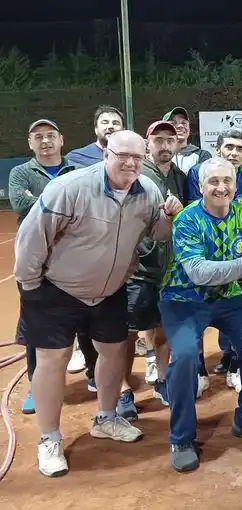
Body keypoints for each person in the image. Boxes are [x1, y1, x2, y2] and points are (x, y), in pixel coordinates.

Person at [14, 129, 182, 477]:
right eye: (123, 155)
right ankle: (49, 438)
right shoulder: (68, 188)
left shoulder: (147, 191)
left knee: (114, 353)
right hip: (55, 289)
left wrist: (166, 216)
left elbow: (158, 235)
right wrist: (31, 288)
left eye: (137, 157)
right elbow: (32, 238)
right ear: (105, 152)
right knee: (52, 361)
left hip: (110, 290)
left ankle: (106, 418)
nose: (130, 163)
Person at [158, 157, 242, 473]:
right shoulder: (187, 219)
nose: (221, 187)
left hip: (229, 297)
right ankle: (182, 438)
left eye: (227, 180)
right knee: (184, 357)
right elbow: (197, 272)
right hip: (183, 298)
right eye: (213, 181)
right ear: (200, 187)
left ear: (236, 184)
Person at [9, 119, 85, 414]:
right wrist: (65, 203)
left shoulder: (77, 171)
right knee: (36, 328)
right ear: (30, 143)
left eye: (50, 135)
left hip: (75, 261)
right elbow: (20, 203)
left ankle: (94, 375)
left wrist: (43, 202)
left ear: (61, 139)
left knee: (86, 319)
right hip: (36, 261)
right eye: (38, 137)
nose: (45, 141)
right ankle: (34, 384)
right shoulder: (21, 173)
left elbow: (85, 207)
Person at [186, 128, 242, 391]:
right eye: (229, 147)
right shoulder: (197, 172)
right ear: (218, 149)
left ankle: (233, 366)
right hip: (202, 257)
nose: (234, 152)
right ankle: (198, 370)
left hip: (238, 257)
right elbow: (194, 211)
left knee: (237, 317)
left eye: (240, 148)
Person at [134, 120, 188, 407]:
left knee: (166, 325)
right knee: (127, 332)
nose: (165, 145)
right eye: (159, 140)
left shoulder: (181, 176)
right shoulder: (137, 173)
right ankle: (123, 393)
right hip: (140, 267)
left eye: (170, 140)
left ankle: (163, 379)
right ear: (148, 143)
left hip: (171, 266)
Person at [162, 107, 213, 172]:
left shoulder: (202, 155)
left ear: (189, 128)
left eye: (184, 123)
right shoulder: (158, 156)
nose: (180, 126)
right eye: (173, 123)